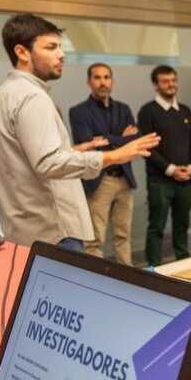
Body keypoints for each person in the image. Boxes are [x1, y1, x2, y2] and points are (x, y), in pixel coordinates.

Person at [0, 13, 158, 250]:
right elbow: (47, 163)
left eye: (60, 47)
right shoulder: (33, 97)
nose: (61, 54)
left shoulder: (2, 96)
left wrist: (74, 150)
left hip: (25, 229)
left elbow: (26, 157)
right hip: (53, 231)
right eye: (51, 47)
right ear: (22, 52)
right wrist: (115, 155)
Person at [68, 63, 140, 264]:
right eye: (97, 78)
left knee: (123, 237)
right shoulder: (79, 112)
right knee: (94, 240)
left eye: (106, 77)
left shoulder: (123, 109)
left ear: (112, 81)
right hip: (99, 180)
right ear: (88, 82)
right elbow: (88, 145)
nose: (103, 82)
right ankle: (95, 283)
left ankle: (128, 280)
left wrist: (105, 139)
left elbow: (134, 140)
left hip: (124, 179)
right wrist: (119, 138)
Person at [137, 65, 191, 266]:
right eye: (165, 81)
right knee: (157, 226)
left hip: (185, 179)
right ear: (156, 85)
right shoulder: (147, 111)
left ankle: (184, 264)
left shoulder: (186, 110)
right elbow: (148, 149)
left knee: (182, 225)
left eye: (173, 80)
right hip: (160, 181)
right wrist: (171, 169)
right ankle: (153, 268)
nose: (171, 84)